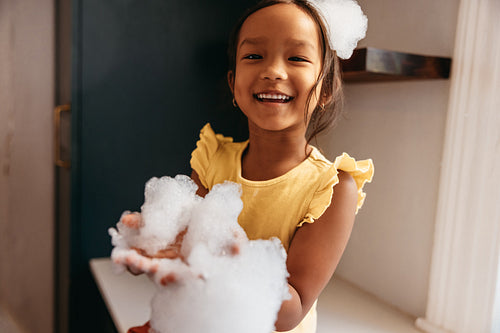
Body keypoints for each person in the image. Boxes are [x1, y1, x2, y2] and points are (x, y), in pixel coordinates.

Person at [122, 0, 373, 332]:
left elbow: (290, 312)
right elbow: (189, 260)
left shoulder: (331, 188)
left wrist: (227, 255)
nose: (273, 71)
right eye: (254, 56)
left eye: (297, 57)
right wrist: (155, 242)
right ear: (233, 82)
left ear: (326, 88)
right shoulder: (213, 160)